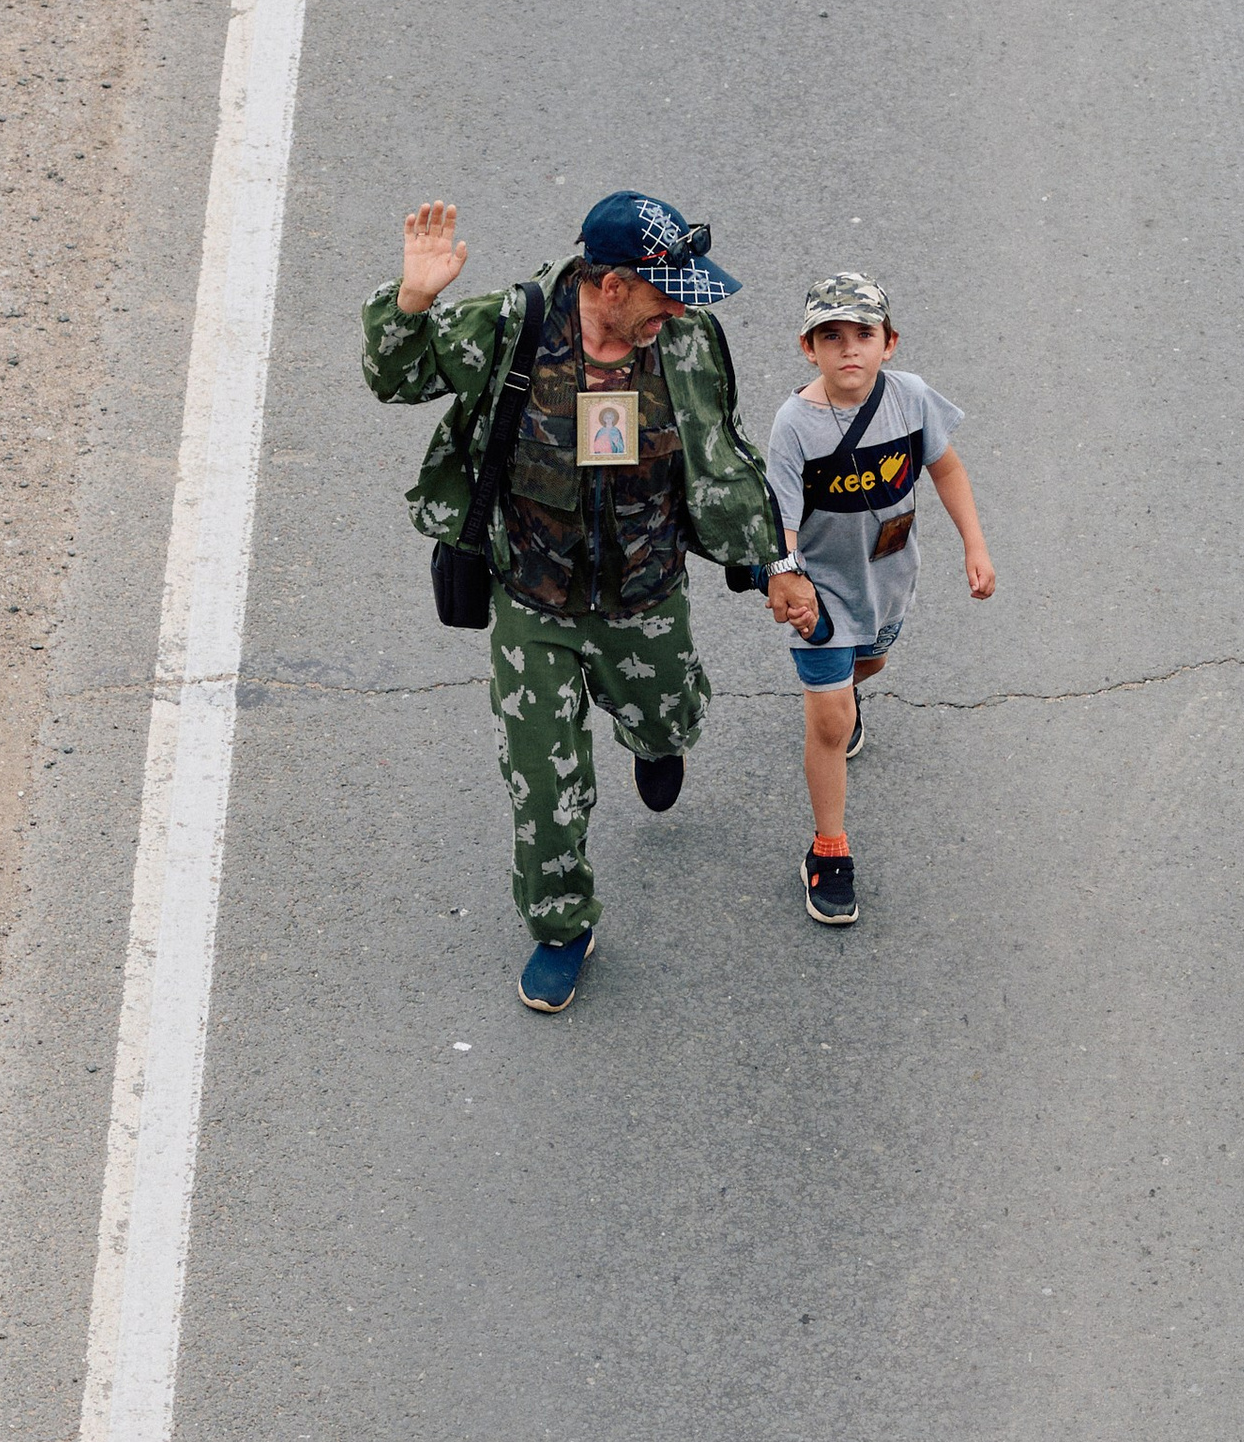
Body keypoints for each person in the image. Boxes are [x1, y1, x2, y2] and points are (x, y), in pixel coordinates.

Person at [362, 192, 819, 1013]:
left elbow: (724, 458)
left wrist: (776, 563)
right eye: (663, 291)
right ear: (610, 285)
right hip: (534, 600)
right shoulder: (512, 328)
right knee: (541, 779)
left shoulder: (685, 343)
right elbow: (394, 378)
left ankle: (657, 736)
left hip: (647, 593)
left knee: (669, 715)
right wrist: (414, 299)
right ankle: (562, 925)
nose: (678, 307)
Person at [762, 272, 994, 926]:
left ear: (889, 342)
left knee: (872, 667)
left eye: (863, 334)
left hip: (887, 581)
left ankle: (846, 694)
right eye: (830, 337)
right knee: (830, 721)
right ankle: (828, 849)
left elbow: (946, 468)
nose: (848, 350)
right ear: (808, 348)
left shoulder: (911, 399)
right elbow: (778, 517)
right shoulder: (794, 424)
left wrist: (975, 546)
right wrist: (785, 574)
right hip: (820, 592)